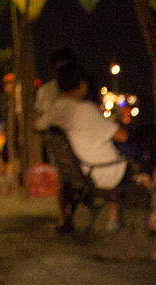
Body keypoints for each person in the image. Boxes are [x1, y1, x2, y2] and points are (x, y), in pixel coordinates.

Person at [46, 62, 130, 227]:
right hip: (102, 173)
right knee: (145, 166)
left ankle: (112, 220)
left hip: (78, 173)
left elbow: (38, 124)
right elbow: (122, 136)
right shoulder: (84, 110)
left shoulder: (55, 111)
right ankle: (121, 222)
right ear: (82, 84)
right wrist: (118, 118)